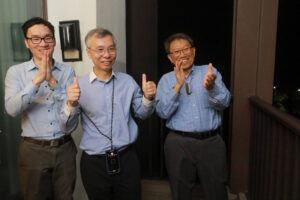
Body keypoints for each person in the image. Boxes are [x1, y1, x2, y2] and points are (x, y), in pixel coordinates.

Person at [59, 27, 156, 200]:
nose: (107, 54)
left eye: (111, 48)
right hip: (94, 163)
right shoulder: (78, 86)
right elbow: (66, 128)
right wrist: (71, 104)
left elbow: (143, 114)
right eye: (100, 49)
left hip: (127, 159)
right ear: (89, 52)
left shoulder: (127, 82)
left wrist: (148, 98)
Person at [4, 17, 77, 200]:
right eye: (36, 39)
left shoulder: (67, 72)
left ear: (54, 41)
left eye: (48, 38)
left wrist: (53, 82)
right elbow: (11, 110)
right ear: (27, 43)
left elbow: (70, 113)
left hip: (64, 148)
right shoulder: (15, 72)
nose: (43, 43)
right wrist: (37, 80)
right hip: (33, 150)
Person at [155, 33, 231, 200]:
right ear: (170, 57)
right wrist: (178, 87)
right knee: (180, 192)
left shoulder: (209, 72)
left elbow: (225, 102)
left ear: (193, 51)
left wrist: (212, 88)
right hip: (178, 144)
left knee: (217, 191)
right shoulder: (166, 80)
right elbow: (162, 112)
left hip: (211, 143)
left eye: (186, 49)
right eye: (177, 51)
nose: (182, 54)